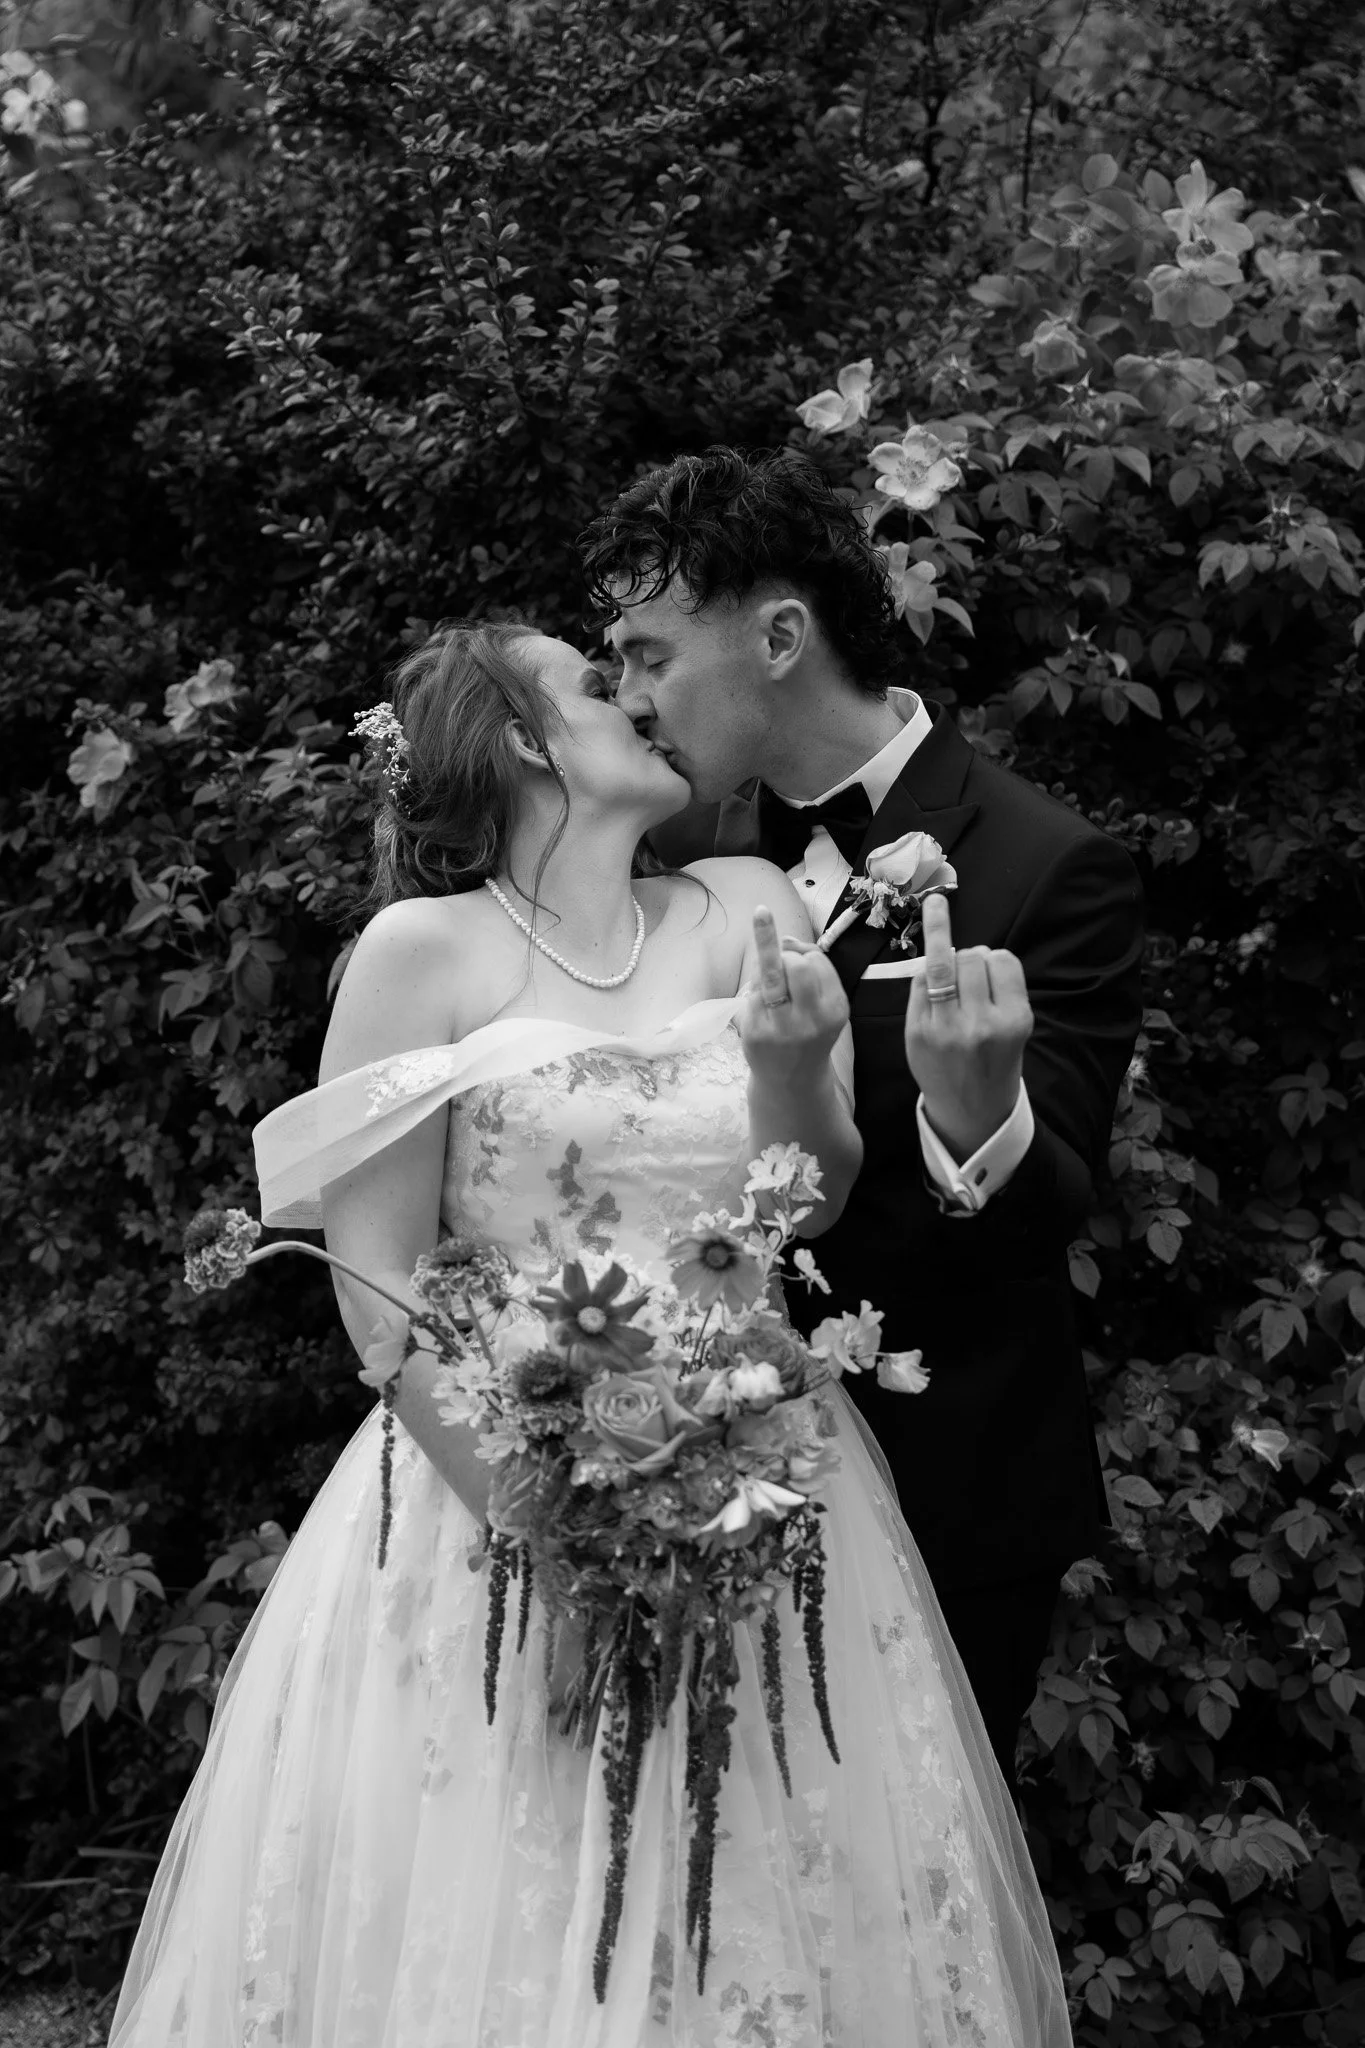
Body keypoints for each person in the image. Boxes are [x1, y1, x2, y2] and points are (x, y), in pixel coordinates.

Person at [108, 620, 1071, 2046]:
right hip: (491, 1509)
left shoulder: (745, 902)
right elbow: (376, 1290)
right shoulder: (420, 952)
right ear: (520, 739)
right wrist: (556, 1539)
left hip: (760, 1479)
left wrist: (790, 1064)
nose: (631, 696)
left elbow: (810, 1198)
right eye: (590, 680)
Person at [580, 445, 1145, 1806]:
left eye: (651, 655)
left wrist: (977, 1115)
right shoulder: (671, 854)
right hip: (683, 1481)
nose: (628, 697)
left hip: (946, 1496)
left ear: (780, 639)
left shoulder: (1046, 863)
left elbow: (1049, 1216)